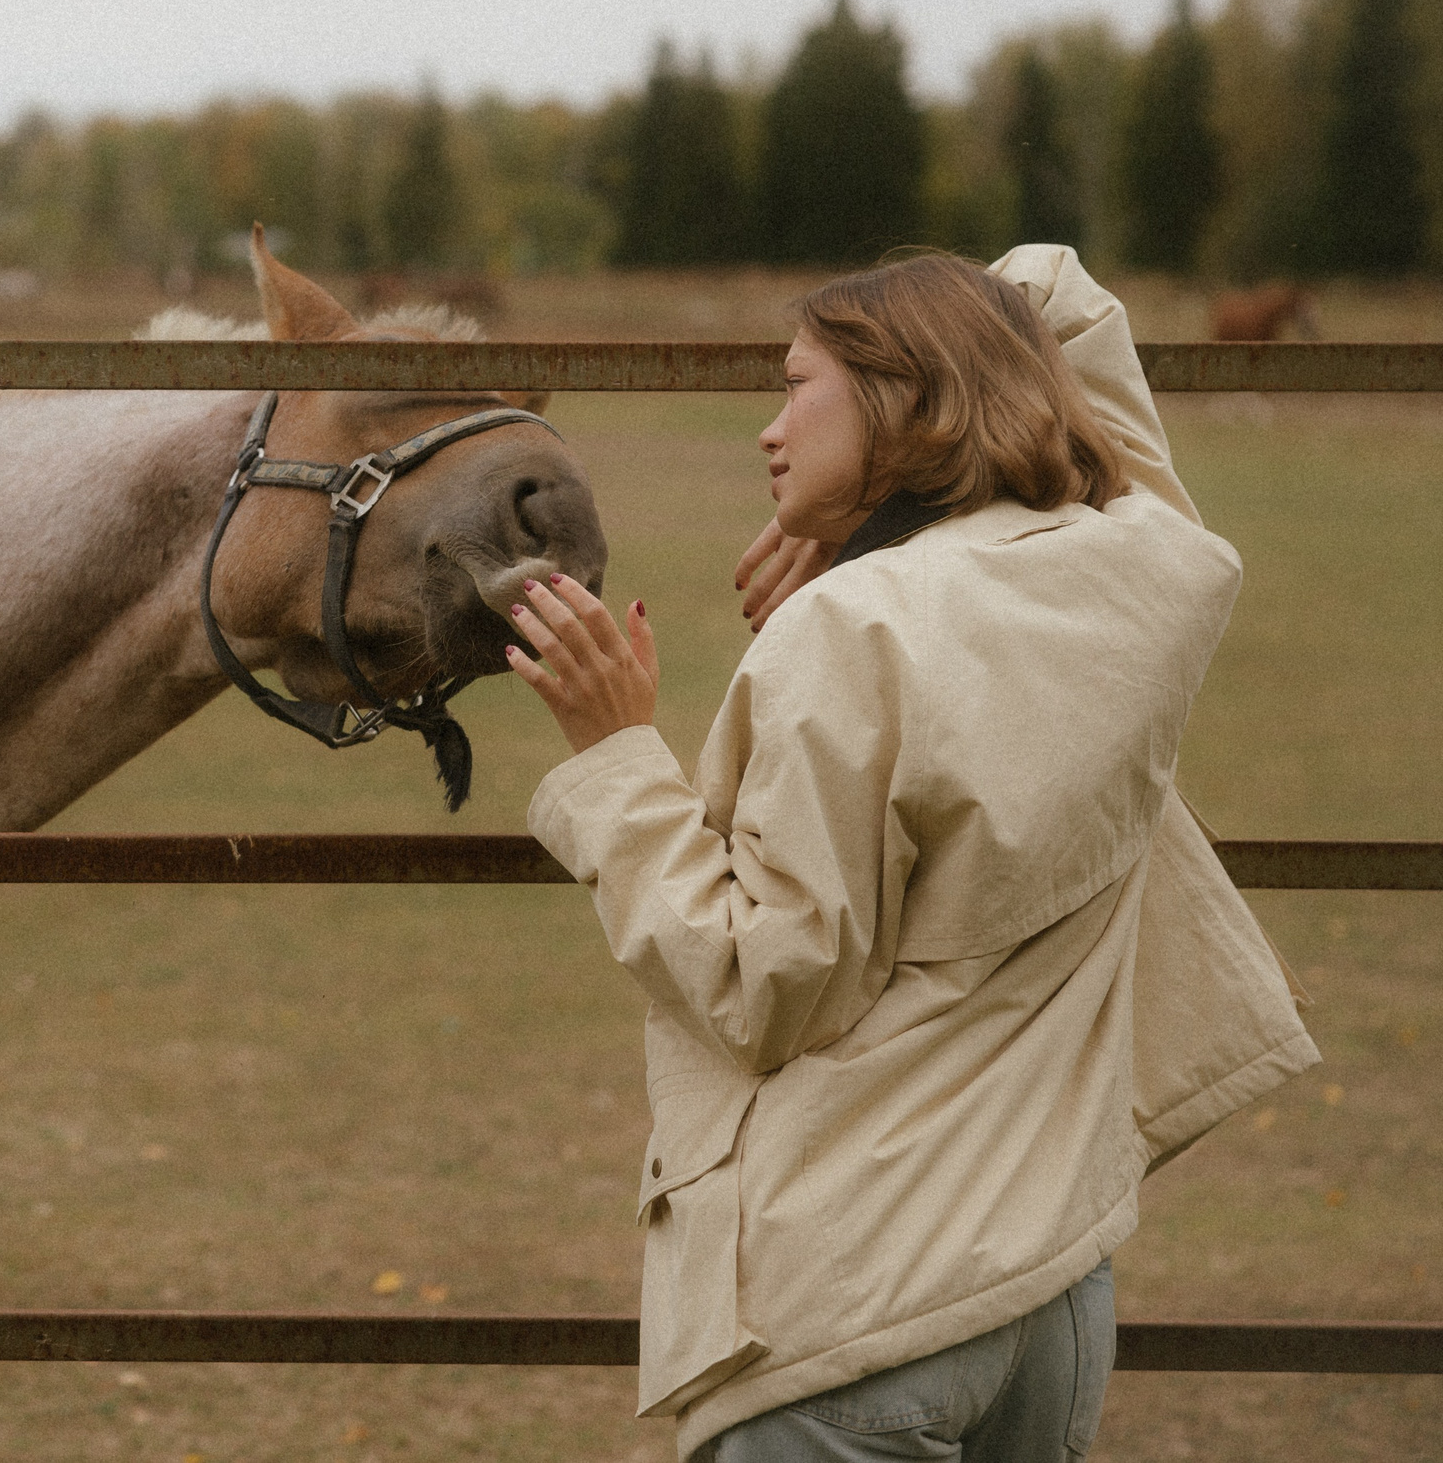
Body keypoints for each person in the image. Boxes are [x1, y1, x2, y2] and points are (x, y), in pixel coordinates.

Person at [507, 247, 1317, 1461]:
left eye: (798, 387)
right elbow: (1056, 293)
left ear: (905, 396)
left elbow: (764, 983)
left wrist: (616, 751)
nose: (769, 432)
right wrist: (867, 497)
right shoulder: (1152, 570)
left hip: (860, 1303)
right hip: (1050, 1296)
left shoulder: (850, 627)